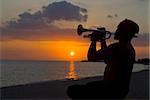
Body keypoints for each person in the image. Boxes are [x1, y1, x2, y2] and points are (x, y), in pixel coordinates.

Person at [67, 19, 139, 99]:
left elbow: (91, 57)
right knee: (89, 86)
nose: (116, 31)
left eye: (118, 29)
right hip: (120, 89)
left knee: (72, 90)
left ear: (123, 33)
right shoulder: (130, 48)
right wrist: (102, 39)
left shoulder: (117, 47)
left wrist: (93, 41)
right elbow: (107, 59)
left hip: (110, 89)